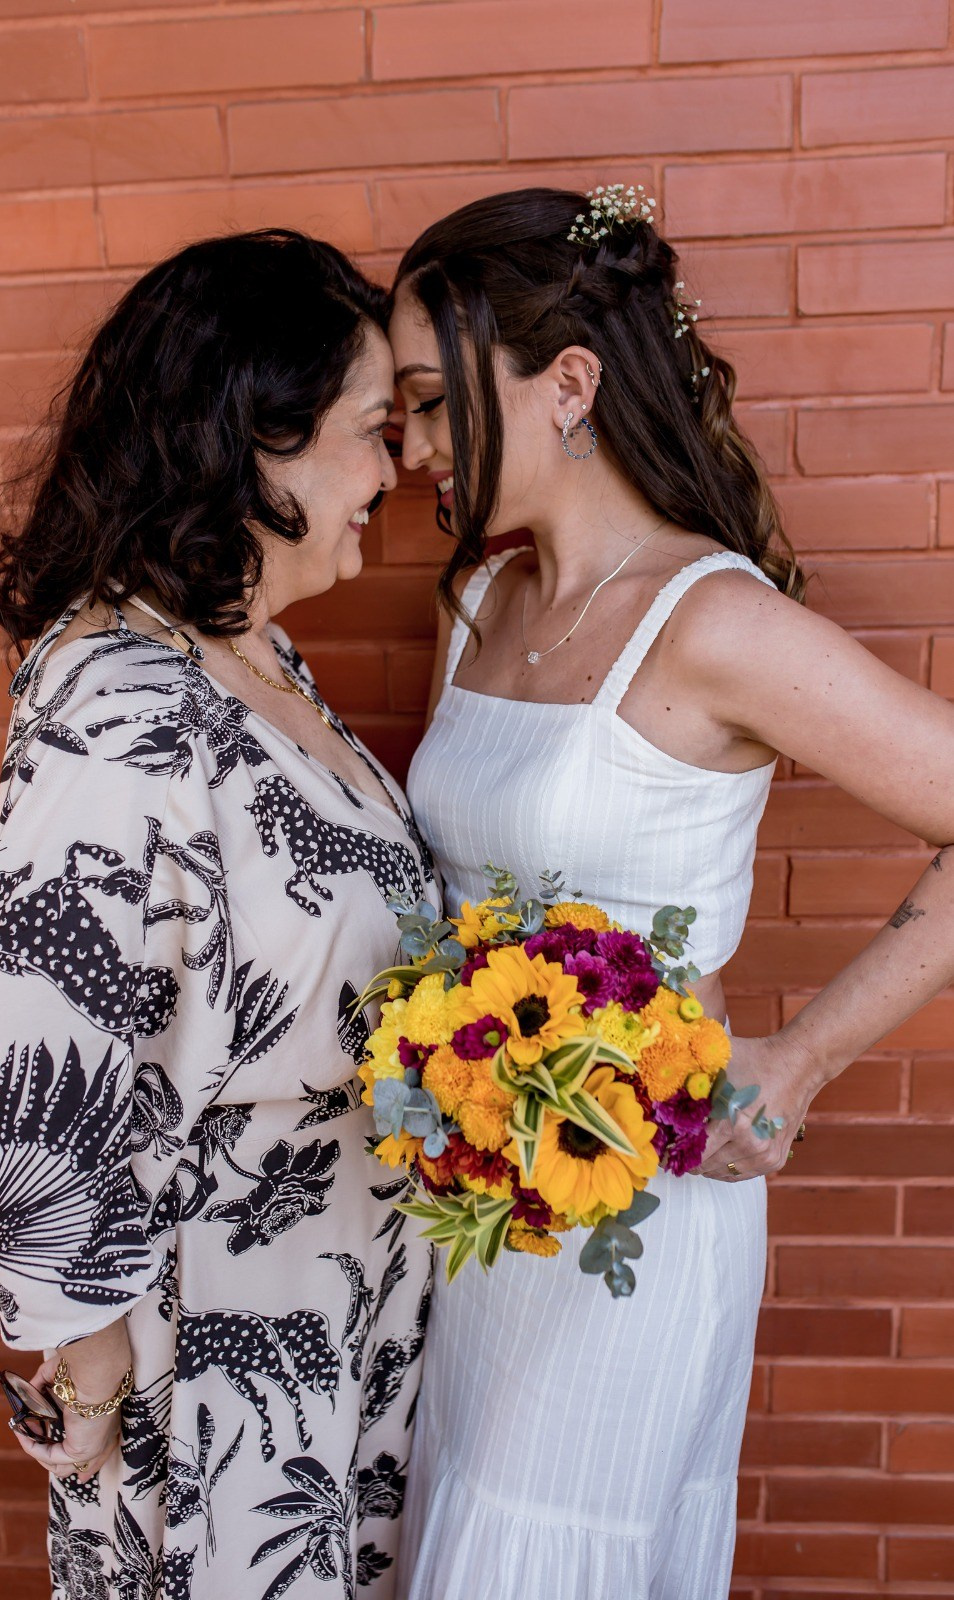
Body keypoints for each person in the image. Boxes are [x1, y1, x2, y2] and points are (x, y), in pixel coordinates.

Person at [386, 185, 954, 1599]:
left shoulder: (718, 624)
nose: (411, 450)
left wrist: (802, 1059)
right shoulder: (474, 607)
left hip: (636, 1216)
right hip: (471, 1207)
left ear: (569, 383)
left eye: (434, 404)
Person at [0, 229, 434, 1600]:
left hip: (338, 1297)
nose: (396, 470)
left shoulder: (249, 650)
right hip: (222, 1336)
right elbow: (41, 1052)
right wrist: (90, 1368)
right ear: (258, 439)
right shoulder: (121, 703)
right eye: (372, 430)